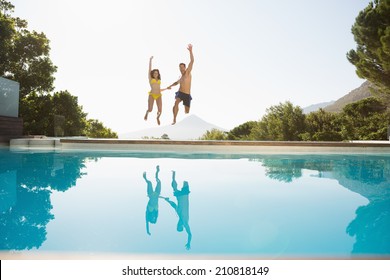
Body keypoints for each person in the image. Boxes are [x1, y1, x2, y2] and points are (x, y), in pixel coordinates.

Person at [163, 170, 192, 250]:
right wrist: (189, 242)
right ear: (182, 226)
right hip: (185, 195)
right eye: (179, 226)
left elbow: (174, 205)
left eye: (177, 225)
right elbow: (189, 234)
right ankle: (185, 170)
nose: (178, 224)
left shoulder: (178, 214)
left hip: (179, 197)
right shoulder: (185, 222)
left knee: (174, 187)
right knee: (186, 181)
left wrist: (168, 200)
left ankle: (173, 175)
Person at [167, 44, 194, 125]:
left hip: (187, 94)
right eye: (180, 67)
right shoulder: (180, 76)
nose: (181, 69)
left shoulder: (188, 73)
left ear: (185, 68)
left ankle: (185, 109)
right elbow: (176, 82)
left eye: (182, 67)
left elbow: (192, 61)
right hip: (180, 93)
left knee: (187, 111)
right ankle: (174, 119)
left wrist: (191, 51)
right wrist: (170, 86)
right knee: (176, 102)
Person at [144, 56, 168, 125]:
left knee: (160, 110)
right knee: (150, 109)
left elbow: (159, 89)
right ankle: (147, 112)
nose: (155, 74)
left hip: (158, 95)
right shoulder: (151, 79)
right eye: (154, 73)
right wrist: (150, 60)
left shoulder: (159, 80)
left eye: (157, 73)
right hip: (152, 95)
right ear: (152, 74)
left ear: (158, 74)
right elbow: (149, 70)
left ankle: (157, 117)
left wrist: (166, 88)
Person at [142, 165, 161, 235]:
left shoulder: (148, 214)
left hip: (150, 195)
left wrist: (147, 231)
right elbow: (155, 217)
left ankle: (145, 178)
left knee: (149, 182)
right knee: (159, 182)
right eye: (154, 219)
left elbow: (146, 223)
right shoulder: (156, 213)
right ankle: (157, 173)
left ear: (150, 219)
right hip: (156, 194)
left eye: (152, 220)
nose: (153, 218)